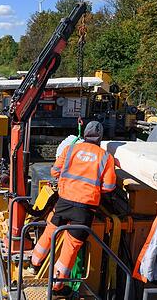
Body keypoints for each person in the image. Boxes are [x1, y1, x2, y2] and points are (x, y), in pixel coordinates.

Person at [29, 121, 116, 294]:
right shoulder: (106, 157)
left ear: (84, 134)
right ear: (100, 137)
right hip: (84, 208)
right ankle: (57, 286)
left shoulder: (70, 150)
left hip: (64, 202)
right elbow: (109, 187)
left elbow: (54, 171)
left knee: (50, 231)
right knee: (71, 246)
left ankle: (34, 263)